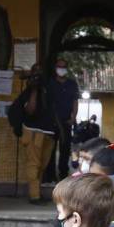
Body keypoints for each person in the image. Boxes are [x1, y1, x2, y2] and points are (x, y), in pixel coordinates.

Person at [19, 64, 55, 204]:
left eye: (41, 72)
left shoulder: (48, 87)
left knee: (42, 166)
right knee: (33, 165)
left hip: (47, 133)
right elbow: (30, 110)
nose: (39, 75)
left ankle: (37, 192)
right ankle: (34, 196)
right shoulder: (29, 90)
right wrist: (34, 89)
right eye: (36, 72)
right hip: (33, 132)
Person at [45, 58, 80, 192]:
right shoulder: (50, 84)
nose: (61, 69)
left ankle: (63, 175)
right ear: (55, 68)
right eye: (59, 66)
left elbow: (75, 102)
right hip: (52, 122)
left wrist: (73, 117)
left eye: (64, 67)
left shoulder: (72, 84)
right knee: (50, 149)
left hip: (66, 122)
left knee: (65, 148)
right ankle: (50, 176)